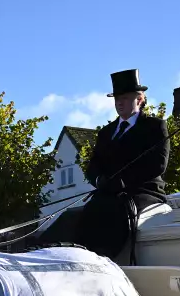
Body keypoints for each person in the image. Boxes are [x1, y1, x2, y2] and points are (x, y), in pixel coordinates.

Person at [72, 69, 172, 261]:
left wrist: (124, 181)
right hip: (108, 193)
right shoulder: (106, 133)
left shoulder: (154, 126)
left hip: (143, 191)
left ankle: (106, 258)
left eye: (125, 98)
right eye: (117, 98)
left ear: (139, 99)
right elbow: (93, 165)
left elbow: (158, 164)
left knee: (115, 211)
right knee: (83, 214)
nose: (119, 102)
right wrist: (100, 180)